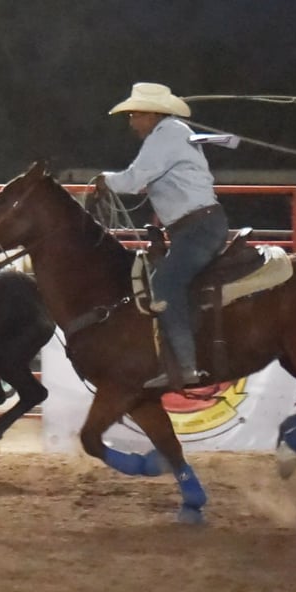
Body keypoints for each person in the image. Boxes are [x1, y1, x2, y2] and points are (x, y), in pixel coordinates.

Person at [94, 82, 229, 389]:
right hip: (197, 226)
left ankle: (185, 367)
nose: (131, 122)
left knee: (165, 284)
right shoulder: (173, 132)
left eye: (135, 115)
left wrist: (106, 179)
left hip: (197, 228)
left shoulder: (166, 135)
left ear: (152, 114)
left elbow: (134, 179)